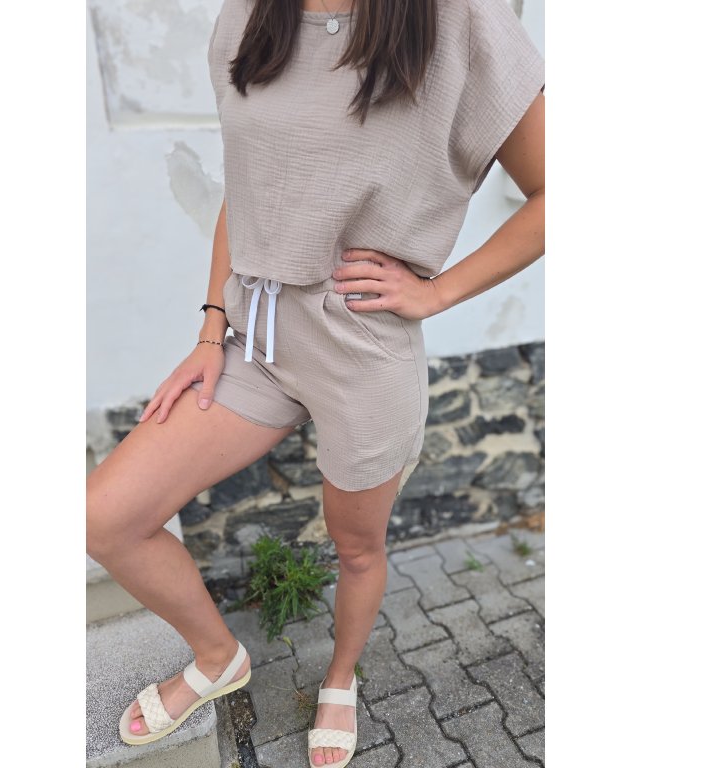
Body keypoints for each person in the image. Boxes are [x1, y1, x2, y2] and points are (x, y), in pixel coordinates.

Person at [86, 0, 544, 765]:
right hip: (256, 339)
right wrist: (210, 330)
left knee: (357, 548)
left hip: (363, 350)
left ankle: (340, 675)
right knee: (106, 517)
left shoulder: (458, 17)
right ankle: (217, 657)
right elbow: (246, 187)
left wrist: (438, 291)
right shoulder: (250, 16)